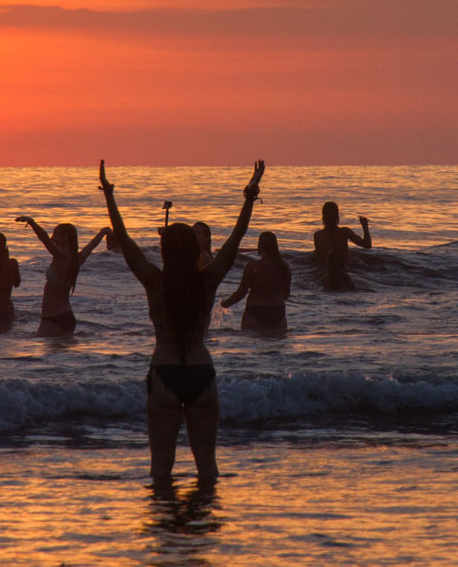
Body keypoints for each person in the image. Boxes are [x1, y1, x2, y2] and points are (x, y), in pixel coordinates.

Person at [101, 158, 265, 484]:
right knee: (208, 469)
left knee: (161, 469)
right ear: (194, 250)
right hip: (202, 372)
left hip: (164, 372)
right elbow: (236, 236)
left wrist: (109, 195)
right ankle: (204, 530)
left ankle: (167, 533)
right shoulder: (208, 281)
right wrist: (249, 195)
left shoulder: (153, 281)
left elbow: (123, 238)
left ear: (163, 250)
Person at [16, 217, 108, 337]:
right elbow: (91, 246)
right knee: (62, 354)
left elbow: (44, 239)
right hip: (66, 317)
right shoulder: (77, 259)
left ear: (65, 237)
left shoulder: (62, 257)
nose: (52, 238)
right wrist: (103, 232)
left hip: (53, 319)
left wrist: (32, 223)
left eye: (56, 235)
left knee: (48, 354)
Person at [221, 231, 293, 336]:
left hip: (254, 311)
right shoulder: (284, 267)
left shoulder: (252, 266)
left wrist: (225, 303)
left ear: (259, 245)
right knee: (276, 347)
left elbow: (241, 293)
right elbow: (286, 295)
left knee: (254, 347)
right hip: (278, 312)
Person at [313, 201, 372, 291]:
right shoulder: (344, 232)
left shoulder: (318, 235)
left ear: (323, 217)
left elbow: (319, 260)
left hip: (327, 273)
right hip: (344, 271)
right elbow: (367, 245)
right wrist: (365, 226)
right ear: (337, 216)